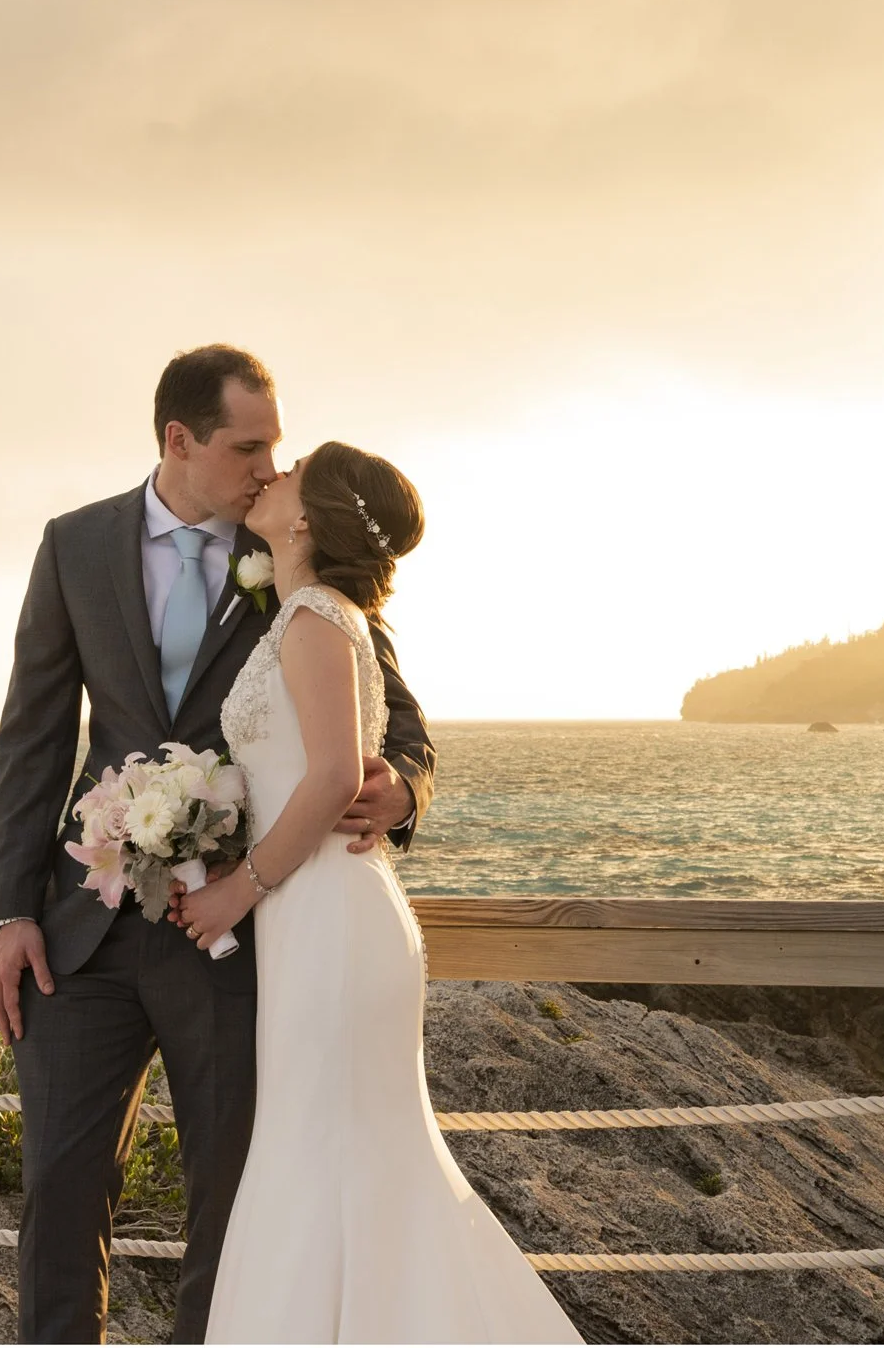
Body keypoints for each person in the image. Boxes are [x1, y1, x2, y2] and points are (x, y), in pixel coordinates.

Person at [0, 345, 436, 1343]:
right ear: (177, 439)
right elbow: (34, 735)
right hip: (81, 933)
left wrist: (399, 785)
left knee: (230, 1203)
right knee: (58, 1187)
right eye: (248, 445)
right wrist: (11, 908)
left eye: (275, 445)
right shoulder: (74, 545)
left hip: (235, 936)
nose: (270, 468)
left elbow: (390, 711)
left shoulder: (295, 554)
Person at [171, 442, 582, 1344]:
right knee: (333, 1158)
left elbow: (327, 779)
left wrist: (238, 888)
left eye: (290, 470)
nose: (271, 475)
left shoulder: (317, 616)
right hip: (318, 915)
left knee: (324, 1158)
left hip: (326, 914)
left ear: (310, 517)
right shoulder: (309, 611)